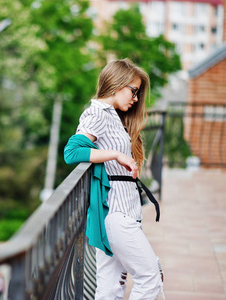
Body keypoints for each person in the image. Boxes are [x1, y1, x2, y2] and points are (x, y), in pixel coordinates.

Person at [64, 58, 164, 299]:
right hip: (117, 215)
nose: (136, 98)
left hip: (123, 212)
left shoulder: (113, 116)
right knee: (150, 277)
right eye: (134, 91)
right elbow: (72, 151)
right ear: (117, 84)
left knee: (109, 288)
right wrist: (117, 154)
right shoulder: (98, 113)